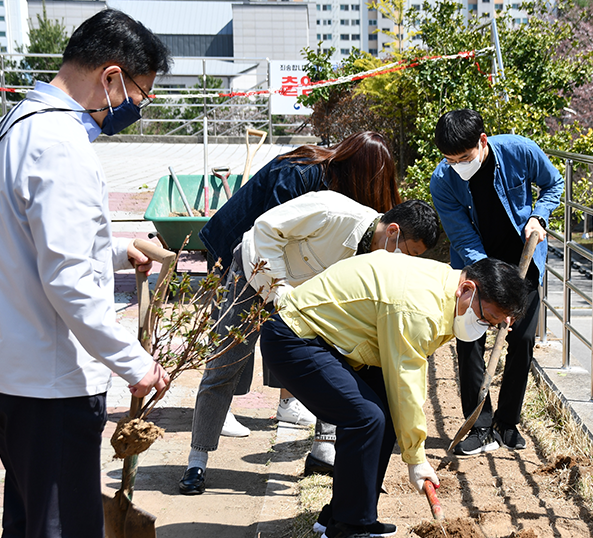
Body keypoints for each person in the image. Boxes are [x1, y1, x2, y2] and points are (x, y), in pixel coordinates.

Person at [0, 10, 171, 538]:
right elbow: (70, 283)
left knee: (27, 535)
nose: (137, 108)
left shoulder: (16, 123)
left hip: (0, 367)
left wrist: (108, 249)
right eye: (139, 95)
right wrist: (135, 365)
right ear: (111, 77)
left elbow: (22, 241)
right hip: (42, 383)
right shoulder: (62, 143)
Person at [260, 253, 530, 538]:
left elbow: (402, 383)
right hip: (295, 337)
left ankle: (343, 513)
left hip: (337, 343)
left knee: (384, 412)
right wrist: (416, 458)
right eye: (485, 318)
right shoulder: (420, 307)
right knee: (366, 417)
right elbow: (407, 383)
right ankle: (347, 529)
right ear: (467, 289)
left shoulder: (446, 292)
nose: (483, 327)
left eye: (494, 325)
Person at [179, 192, 440, 495]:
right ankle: (196, 460)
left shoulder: (376, 259)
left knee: (333, 362)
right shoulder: (334, 212)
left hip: (304, 305)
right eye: (410, 253)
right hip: (256, 275)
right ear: (393, 231)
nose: (407, 262)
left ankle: (323, 451)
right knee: (224, 364)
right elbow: (263, 230)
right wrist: (280, 291)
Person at [198, 131, 401, 437]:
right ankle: (220, 408)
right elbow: (271, 232)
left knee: (286, 321)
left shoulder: (338, 187)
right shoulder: (300, 172)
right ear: (359, 172)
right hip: (240, 246)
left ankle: (287, 403)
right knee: (238, 330)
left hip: (281, 258)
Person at [430, 109, 564, 456]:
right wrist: (491, 286)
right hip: (478, 268)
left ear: (482, 141)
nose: (458, 164)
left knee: (520, 340)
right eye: (450, 159)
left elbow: (555, 183)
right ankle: (479, 425)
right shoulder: (443, 180)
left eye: (464, 157)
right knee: (469, 339)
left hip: (524, 260)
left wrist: (538, 215)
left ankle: (507, 423)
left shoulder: (519, 150)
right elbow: (462, 237)